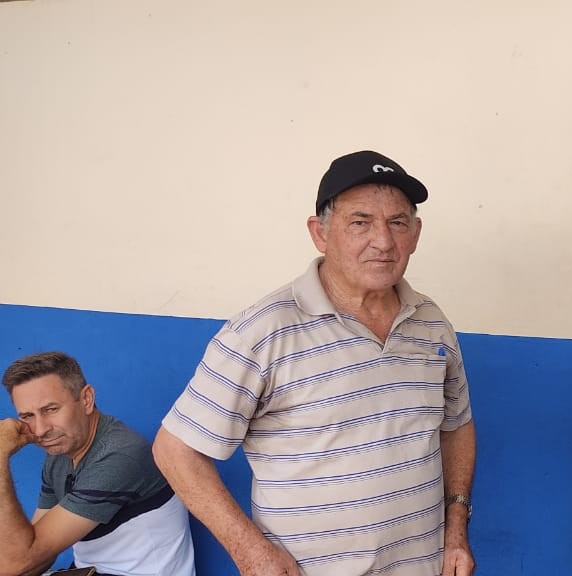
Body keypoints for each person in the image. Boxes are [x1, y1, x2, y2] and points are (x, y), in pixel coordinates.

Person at [152, 150, 477, 576]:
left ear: (415, 234)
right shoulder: (262, 331)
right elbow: (175, 450)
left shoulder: (431, 323)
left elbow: (456, 426)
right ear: (319, 233)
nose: (383, 240)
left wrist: (455, 531)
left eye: (397, 222)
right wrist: (250, 551)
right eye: (360, 222)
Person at [0, 351, 195, 576]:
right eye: (27, 416)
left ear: (86, 399)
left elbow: (18, 562)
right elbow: (33, 556)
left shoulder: (120, 457)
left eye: (50, 409)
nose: (41, 429)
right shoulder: (59, 453)